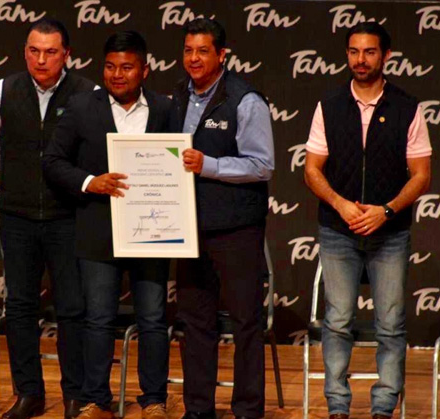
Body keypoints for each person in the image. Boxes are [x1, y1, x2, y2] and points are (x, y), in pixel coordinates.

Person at [303, 22, 431, 419]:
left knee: (390, 324)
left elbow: (422, 175)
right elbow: (311, 169)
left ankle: (383, 407)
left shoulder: (407, 107)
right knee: (338, 321)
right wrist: (340, 204)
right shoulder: (329, 104)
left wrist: (387, 210)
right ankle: (337, 406)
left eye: (370, 52)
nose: (361, 60)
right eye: (354, 51)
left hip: (390, 232)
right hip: (337, 230)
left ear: (386, 56)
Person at [43, 30, 172, 419]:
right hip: (98, 230)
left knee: (153, 320)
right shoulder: (82, 106)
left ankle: (154, 400)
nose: (118, 74)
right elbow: (53, 161)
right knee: (98, 320)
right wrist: (89, 182)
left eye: (127, 67)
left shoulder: (166, 109)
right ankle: (96, 400)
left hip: (153, 232)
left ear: (144, 70)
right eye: (111, 66)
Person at [0, 18, 96, 419]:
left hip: (69, 216)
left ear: (67, 55)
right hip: (17, 216)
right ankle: (29, 393)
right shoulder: (0, 91)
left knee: (72, 308)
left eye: (50, 52)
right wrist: (20, 179)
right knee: (20, 307)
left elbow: (93, 155)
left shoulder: (88, 94)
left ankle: (75, 395)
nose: (41, 60)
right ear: (24, 52)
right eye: (34, 51)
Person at [171, 18, 275, 419]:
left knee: (246, 322)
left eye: (203, 51)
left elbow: (262, 165)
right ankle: (198, 410)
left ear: (222, 55)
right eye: (188, 51)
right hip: (189, 228)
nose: (194, 59)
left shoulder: (245, 100)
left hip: (236, 229)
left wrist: (209, 165)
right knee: (195, 322)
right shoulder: (178, 96)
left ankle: (248, 410)